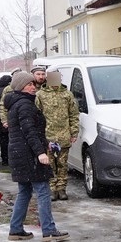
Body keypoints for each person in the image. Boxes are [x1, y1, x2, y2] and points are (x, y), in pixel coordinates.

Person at [6, 71, 69, 242]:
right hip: (29, 155)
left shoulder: (16, 103)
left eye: (33, 84)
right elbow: (29, 131)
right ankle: (49, 231)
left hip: (19, 153)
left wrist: (46, 143)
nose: (33, 87)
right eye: (29, 84)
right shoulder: (25, 104)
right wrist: (40, 152)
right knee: (43, 191)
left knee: (24, 192)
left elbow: (29, 131)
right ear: (21, 87)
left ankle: (16, 229)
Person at [36, 67, 80, 200]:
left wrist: (74, 132)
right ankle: (52, 189)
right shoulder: (41, 94)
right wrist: (39, 135)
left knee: (62, 164)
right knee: (49, 164)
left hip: (64, 135)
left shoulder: (67, 94)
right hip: (48, 135)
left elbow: (73, 114)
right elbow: (37, 116)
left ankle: (61, 188)